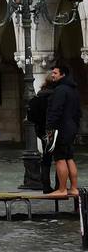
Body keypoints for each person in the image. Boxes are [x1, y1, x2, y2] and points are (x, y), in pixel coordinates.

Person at [45, 64, 81, 198]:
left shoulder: (60, 90)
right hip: (71, 128)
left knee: (60, 158)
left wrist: (49, 127)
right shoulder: (73, 90)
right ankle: (74, 188)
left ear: (62, 75)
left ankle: (61, 189)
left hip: (60, 128)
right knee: (69, 158)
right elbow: (78, 112)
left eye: (55, 73)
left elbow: (55, 110)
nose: (53, 75)